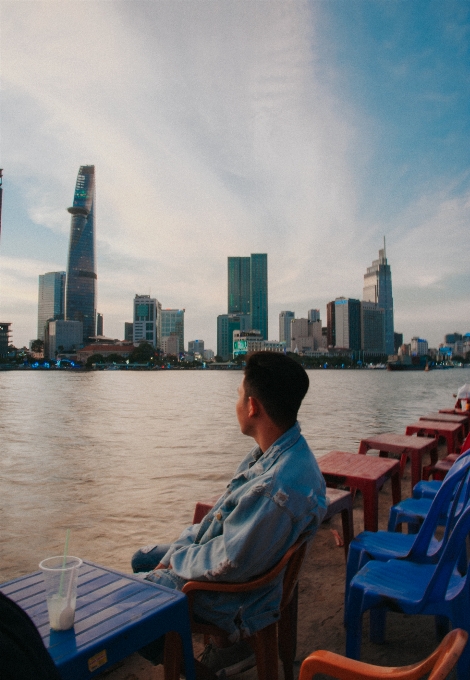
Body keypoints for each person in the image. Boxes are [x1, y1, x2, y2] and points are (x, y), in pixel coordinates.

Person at [132, 351, 327, 677]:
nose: (235, 403)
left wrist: (177, 560)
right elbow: (223, 518)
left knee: (127, 608)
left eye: (238, 395)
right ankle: (227, 652)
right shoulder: (282, 451)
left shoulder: (276, 489)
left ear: (253, 406)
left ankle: (200, 673)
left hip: (240, 597)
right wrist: (183, 547)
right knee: (142, 558)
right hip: (242, 566)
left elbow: (231, 560)